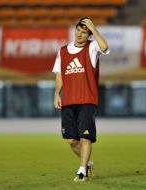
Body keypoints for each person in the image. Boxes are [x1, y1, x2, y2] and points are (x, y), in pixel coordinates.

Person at [52, 16, 109, 182]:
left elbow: (105, 47)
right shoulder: (62, 51)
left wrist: (93, 27)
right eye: (78, 30)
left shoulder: (91, 48)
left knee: (85, 138)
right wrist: (57, 93)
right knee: (71, 140)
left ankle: (82, 171)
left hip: (87, 100)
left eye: (84, 32)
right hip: (68, 101)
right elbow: (60, 73)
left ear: (88, 35)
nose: (80, 34)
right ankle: (88, 163)